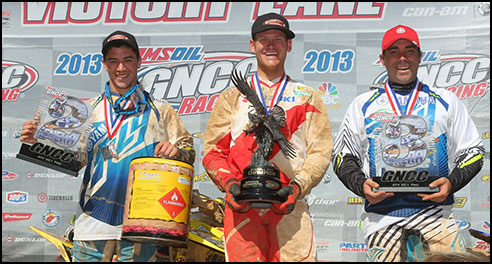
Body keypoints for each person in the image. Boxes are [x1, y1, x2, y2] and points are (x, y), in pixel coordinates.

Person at [19, 30, 195, 262]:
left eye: (127, 59)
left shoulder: (161, 110)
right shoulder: (86, 110)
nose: (121, 67)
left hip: (142, 229)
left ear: (139, 62)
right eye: (113, 60)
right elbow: (74, 161)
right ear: (104, 64)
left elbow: (189, 152)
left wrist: (177, 152)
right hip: (92, 226)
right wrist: (38, 142)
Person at [331, 25, 485, 262]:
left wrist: (452, 183)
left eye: (409, 51)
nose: (402, 58)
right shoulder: (364, 104)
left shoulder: (445, 101)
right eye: (393, 52)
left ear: (420, 56)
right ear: (382, 59)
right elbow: (343, 156)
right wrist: (361, 185)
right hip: (383, 219)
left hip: (437, 217)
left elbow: (473, 151)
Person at [202, 13, 333, 262]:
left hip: (289, 208)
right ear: (252, 45)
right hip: (241, 208)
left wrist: (297, 187)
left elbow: (320, 152)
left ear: (289, 45)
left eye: (278, 39)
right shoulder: (231, 98)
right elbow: (212, 151)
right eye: (264, 39)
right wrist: (229, 184)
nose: (270, 45)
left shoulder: (308, 97)